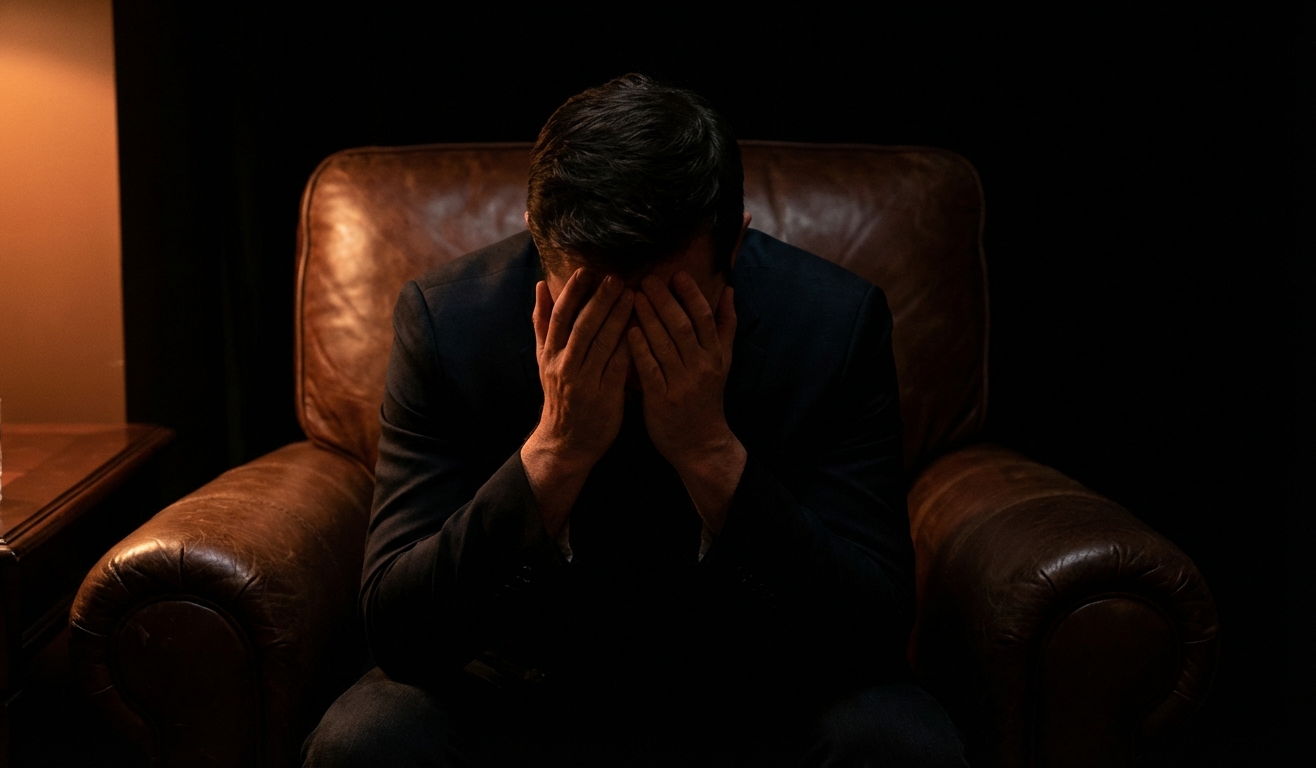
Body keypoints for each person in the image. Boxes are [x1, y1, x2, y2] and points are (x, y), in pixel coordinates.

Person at [303, 74, 967, 767]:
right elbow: (397, 630)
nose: (629, 338)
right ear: (536, 242)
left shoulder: (833, 325)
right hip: (523, 685)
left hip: (756, 684)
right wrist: (555, 451)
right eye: (591, 305)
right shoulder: (449, 324)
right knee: (367, 738)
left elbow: (874, 628)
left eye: (667, 308)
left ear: (734, 247)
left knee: (899, 740)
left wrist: (710, 453)